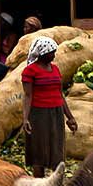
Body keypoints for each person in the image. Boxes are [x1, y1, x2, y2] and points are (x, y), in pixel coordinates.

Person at [20, 35, 78, 177]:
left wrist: (70, 117)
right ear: (42, 54)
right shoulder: (30, 71)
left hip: (56, 113)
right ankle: (39, 184)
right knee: (39, 151)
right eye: (51, 53)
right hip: (38, 114)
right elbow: (28, 96)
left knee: (56, 149)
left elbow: (60, 94)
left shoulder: (55, 69)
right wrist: (25, 118)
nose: (54, 55)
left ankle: (55, 182)